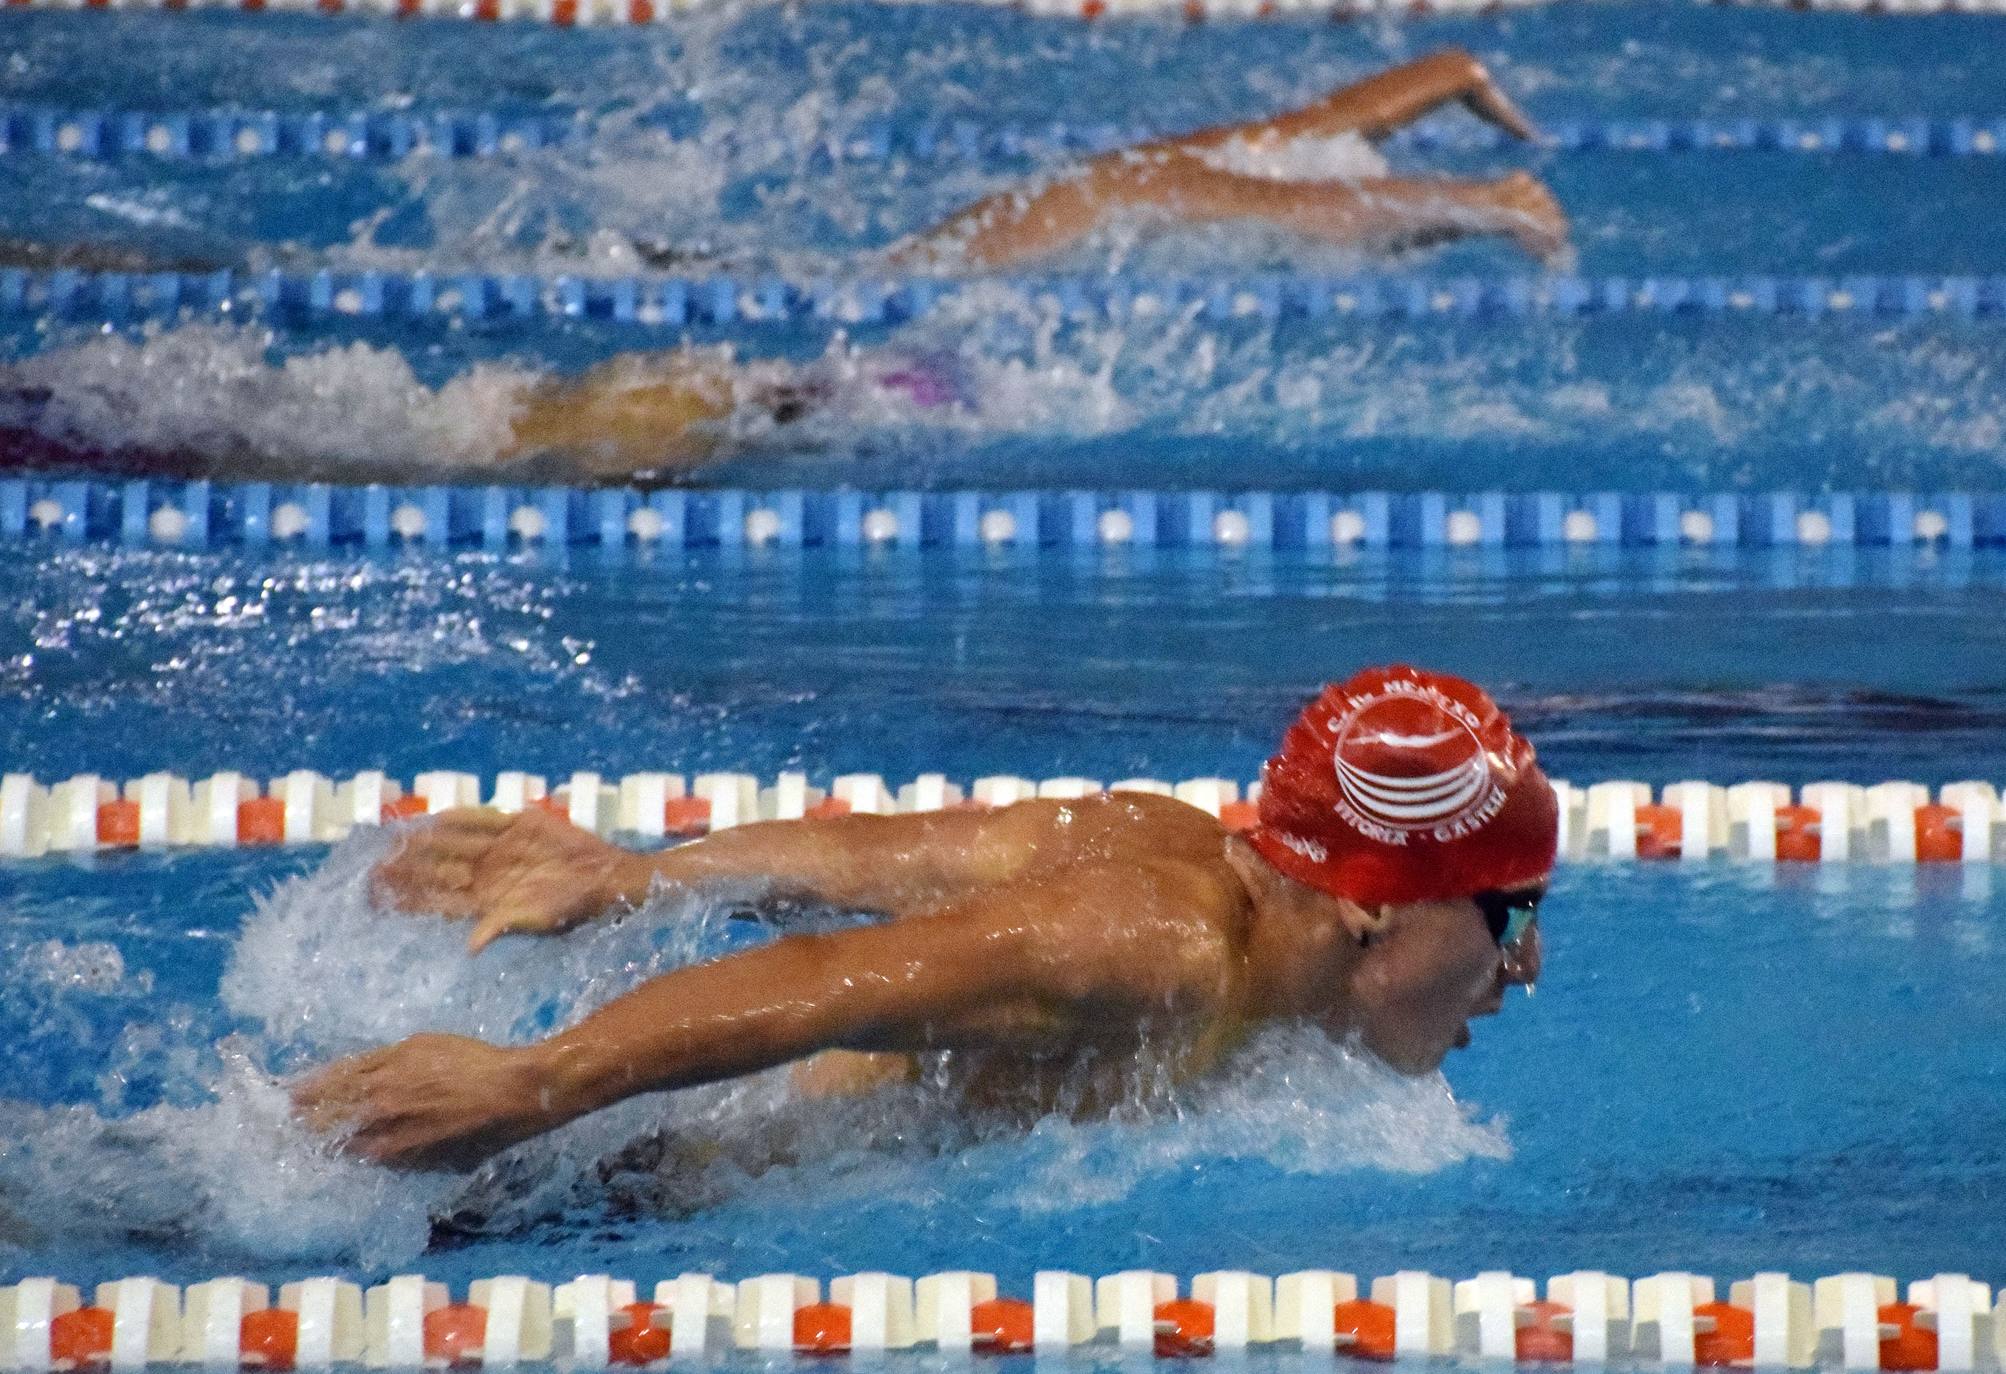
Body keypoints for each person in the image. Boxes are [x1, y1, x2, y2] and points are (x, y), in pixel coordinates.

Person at [3, 51, 1563, 483]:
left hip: (855, 336)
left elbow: (1283, 164)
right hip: (859, 339)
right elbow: (1283, 148)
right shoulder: (1135, 204)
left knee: (1193, 175)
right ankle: (1454, 136)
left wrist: (1482, 196)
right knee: (1192, 171)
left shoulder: (1142, 202)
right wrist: (1430, 101)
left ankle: (1463, 155)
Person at [295, 664, 1558, 1172]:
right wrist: (531, 1086)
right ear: (1367, 905)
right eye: (1508, 916)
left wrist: (635, 880)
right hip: (606, 1193)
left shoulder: (1169, 846)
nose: (1526, 969)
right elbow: (833, 974)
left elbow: (879, 854)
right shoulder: (1158, 954)